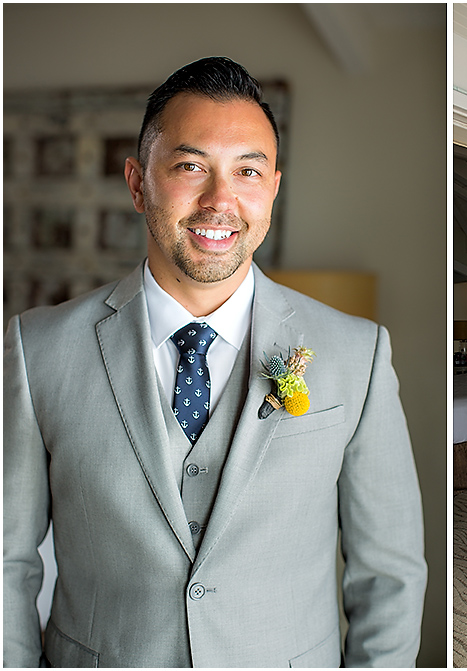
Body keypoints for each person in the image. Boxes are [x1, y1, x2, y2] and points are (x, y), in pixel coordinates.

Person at [4, 57, 427, 668]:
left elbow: (389, 572)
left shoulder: (357, 354)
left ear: (273, 191)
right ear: (136, 183)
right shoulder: (36, 349)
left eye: (247, 170)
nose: (220, 200)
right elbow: (6, 563)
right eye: (190, 165)